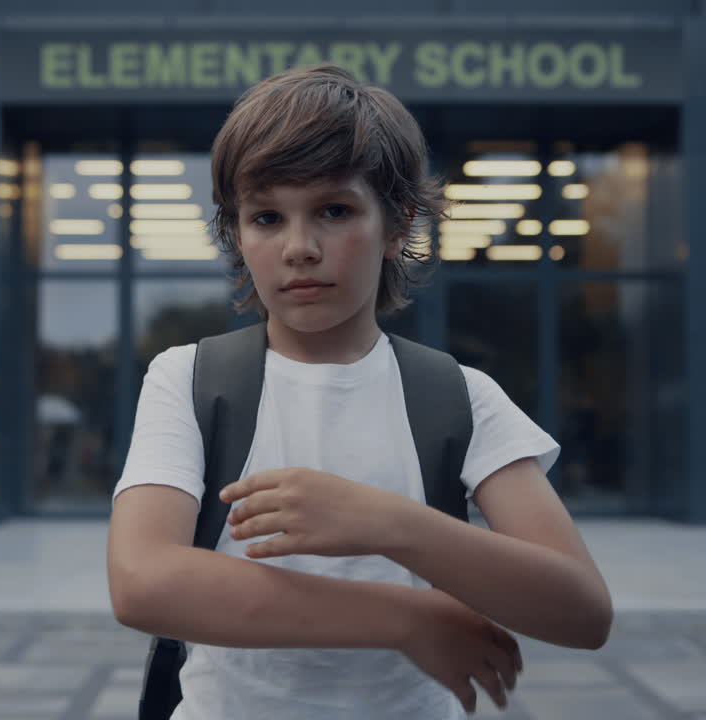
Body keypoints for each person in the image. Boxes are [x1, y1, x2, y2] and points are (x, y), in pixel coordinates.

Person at [107, 64, 613, 719]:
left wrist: (385, 522)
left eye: (335, 210)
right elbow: (142, 583)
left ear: (398, 225)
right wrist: (404, 617)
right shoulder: (190, 378)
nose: (299, 247)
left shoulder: (460, 395)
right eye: (266, 217)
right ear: (237, 233)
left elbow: (582, 610)